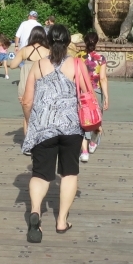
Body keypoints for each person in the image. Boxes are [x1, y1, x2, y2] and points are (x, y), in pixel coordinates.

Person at [20, 24, 84, 243]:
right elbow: (86, 95)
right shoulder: (76, 64)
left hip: (43, 127)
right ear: (68, 42)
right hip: (71, 127)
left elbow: (27, 100)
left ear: (48, 41)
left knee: (40, 174)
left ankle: (35, 212)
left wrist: (30, 121)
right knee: (69, 173)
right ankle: (62, 221)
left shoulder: (38, 65)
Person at [8, 26, 48, 141]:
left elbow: (12, 65)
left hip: (25, 86)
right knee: (41, 115)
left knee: (27, 117)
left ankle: (28, 142)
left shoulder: (25, 50)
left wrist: (24, 65)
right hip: (42, 86)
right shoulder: (47, 51)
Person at [79, 31, 110, 163]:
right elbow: (102, 78)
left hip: (81, 92)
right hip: (96, 92)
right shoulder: (101, 58)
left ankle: (84, 152)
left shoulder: (78, 57)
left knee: (83, 121)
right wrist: (106, 96)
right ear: (96, 42)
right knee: (96, 119)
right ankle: (92, 143)